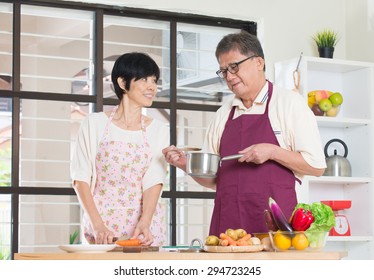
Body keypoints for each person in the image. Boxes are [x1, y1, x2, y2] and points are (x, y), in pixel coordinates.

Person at [162, 31, 326, 236]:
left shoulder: (289, 104)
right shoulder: (222, 115)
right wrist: (186, 166)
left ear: (259, 62)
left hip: (276, 231)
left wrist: (272, 151)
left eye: (234, 67)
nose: (229, 77)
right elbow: (215, 180)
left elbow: (317, 166)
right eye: (223, 71)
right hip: (228, 230)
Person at [71, 52, 168, 246]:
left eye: (154, 81)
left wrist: (145, 222)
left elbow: (154, 181)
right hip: (103, 229)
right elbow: (80, 178)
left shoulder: (158, 129)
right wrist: (97, 225)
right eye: (143, 80)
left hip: (144, 229)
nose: (152, 87)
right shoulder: (94, 124)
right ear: (123, 83)